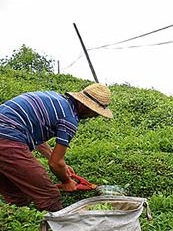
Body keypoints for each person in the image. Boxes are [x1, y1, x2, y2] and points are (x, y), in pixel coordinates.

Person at [0, 83, 113, 211]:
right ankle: (58, 230)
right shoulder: (69, 118)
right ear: (85, 106)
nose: (95, 116)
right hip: (6, 139)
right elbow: (55, 163)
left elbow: (35, 137)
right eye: (95, 112)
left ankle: (21, 224)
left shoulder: (56, 100)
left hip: (7, 134)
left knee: (17, 196)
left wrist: (61, 165)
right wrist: (66, 181)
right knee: (49, 195)